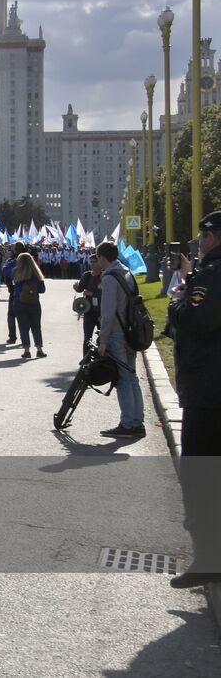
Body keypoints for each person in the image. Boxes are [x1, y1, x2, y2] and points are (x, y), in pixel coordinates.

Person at [167, 211, 221, 588]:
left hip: (208, 390)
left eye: (203, 235)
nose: (199, 242)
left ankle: (208, 559)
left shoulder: (212, 274)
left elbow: (197, 322)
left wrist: (179, 301)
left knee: (200, 477)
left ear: (213, 236)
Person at [96, 242, 145, 440]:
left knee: (122, 379)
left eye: (97, 257)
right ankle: (137, 421)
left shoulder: (109, 278)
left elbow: (107, 314)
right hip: (131, 332)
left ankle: (127, 424)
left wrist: (103, 340)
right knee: (132, 378)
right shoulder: (126, 272)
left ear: (102, 258)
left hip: (116, 334)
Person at [12, 252, 47, 360]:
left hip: (19, 302)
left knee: (23, 327)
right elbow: (42, 290)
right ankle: (39, 349)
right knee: (36, 326)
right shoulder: (36, 273)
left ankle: (26, 350)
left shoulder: (16, 271)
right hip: (33, 302)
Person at [73, 253, 103, 359]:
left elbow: (107, 293)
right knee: (87, 338)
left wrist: (92, 294)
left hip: (101, 312)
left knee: (103, 337)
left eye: (95, 262)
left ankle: (101, 358)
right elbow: (80, 288)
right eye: (91, 262)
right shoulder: (87, 275)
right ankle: (86, 359)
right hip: (89, 311)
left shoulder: (104, 276)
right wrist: (76, 287)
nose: (92, 264)